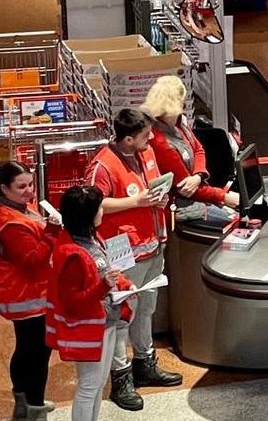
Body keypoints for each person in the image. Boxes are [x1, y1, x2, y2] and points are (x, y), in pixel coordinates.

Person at [85, 108, 182, 411]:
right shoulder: (102, 165)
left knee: (146, 309)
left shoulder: (147, 151)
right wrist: (135, 201)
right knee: (121, 317)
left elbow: (152, 187)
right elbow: (94, 204)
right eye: (144, 135)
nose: (151, 138)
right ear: (127, 139)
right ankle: (121, 377)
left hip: (153, 245)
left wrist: (161, 199)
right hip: (122, 251)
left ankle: (145, 363)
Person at [48, 185, 132, 421]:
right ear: (87, 215)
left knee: (98, 383)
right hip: (89, 328)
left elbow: (109, 270)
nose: (103, 211)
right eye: (99, 208)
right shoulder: (72, 253)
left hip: (106, 322)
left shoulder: (93, 238)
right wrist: (104, 286)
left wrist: (124, 285)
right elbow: (72, 301)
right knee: (89, 386)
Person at [0, 162, 57, 421]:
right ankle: (34, 408)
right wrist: (53, 234)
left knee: (27, 349)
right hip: (27, 297)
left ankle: (25, 403)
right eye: (21, 186)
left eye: (30, 184)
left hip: (30, 295)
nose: (29, 191)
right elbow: (33, 260)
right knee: (36, 353)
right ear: (3, 188)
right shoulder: (9, 223)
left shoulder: (19, 208)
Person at [140, 76, 239, 226]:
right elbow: (185, 188)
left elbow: (198, 149)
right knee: (235, 221)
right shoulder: (160, 142)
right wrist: (223, 196)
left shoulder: (179, 123)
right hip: (180, 206)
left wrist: (198, 176)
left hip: (197, 194)